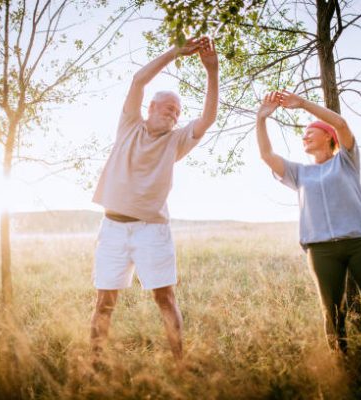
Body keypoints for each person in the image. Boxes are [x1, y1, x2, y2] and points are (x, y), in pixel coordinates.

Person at [255, 90, 361, 361]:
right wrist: (261, 120)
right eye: (303, 134)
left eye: (310, 132)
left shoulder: (346, 160)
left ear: (328, 137)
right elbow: (267, 155)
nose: (304, 136)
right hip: (321, 249)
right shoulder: (299, 172)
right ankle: (343, 369)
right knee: (332, 314)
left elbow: (341, 124)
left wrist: (302, 104)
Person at [90, 37, 218, 360]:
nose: (174, 115)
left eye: (177, 113)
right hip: (113, 228)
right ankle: (93, 363)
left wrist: (211, 72)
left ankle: (180, 364)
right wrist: (176, 52)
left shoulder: (176, 142)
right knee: (104, 301)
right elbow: (138, 80)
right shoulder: (129, 125)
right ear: (151, 108)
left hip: (152, 230)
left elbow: (207, 119)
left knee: (166, 298)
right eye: (169, 109)